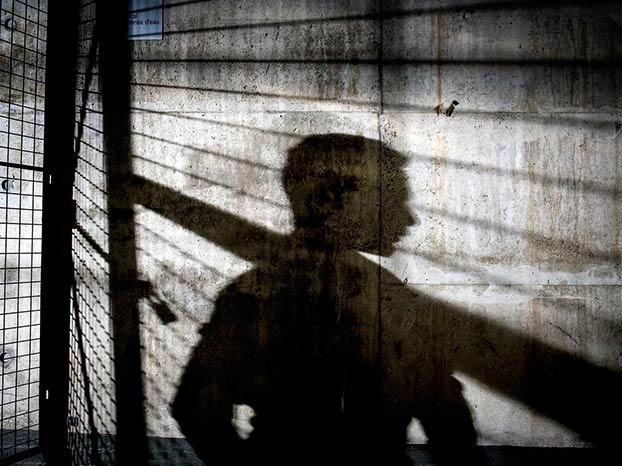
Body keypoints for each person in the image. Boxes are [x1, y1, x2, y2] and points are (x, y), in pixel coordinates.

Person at [171, 134, 478, 465]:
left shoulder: (250, 295)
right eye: (389, 199)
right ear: (325, 200)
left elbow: (196, 408)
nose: (408, 219)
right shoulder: (395, 302)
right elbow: (450, 428)